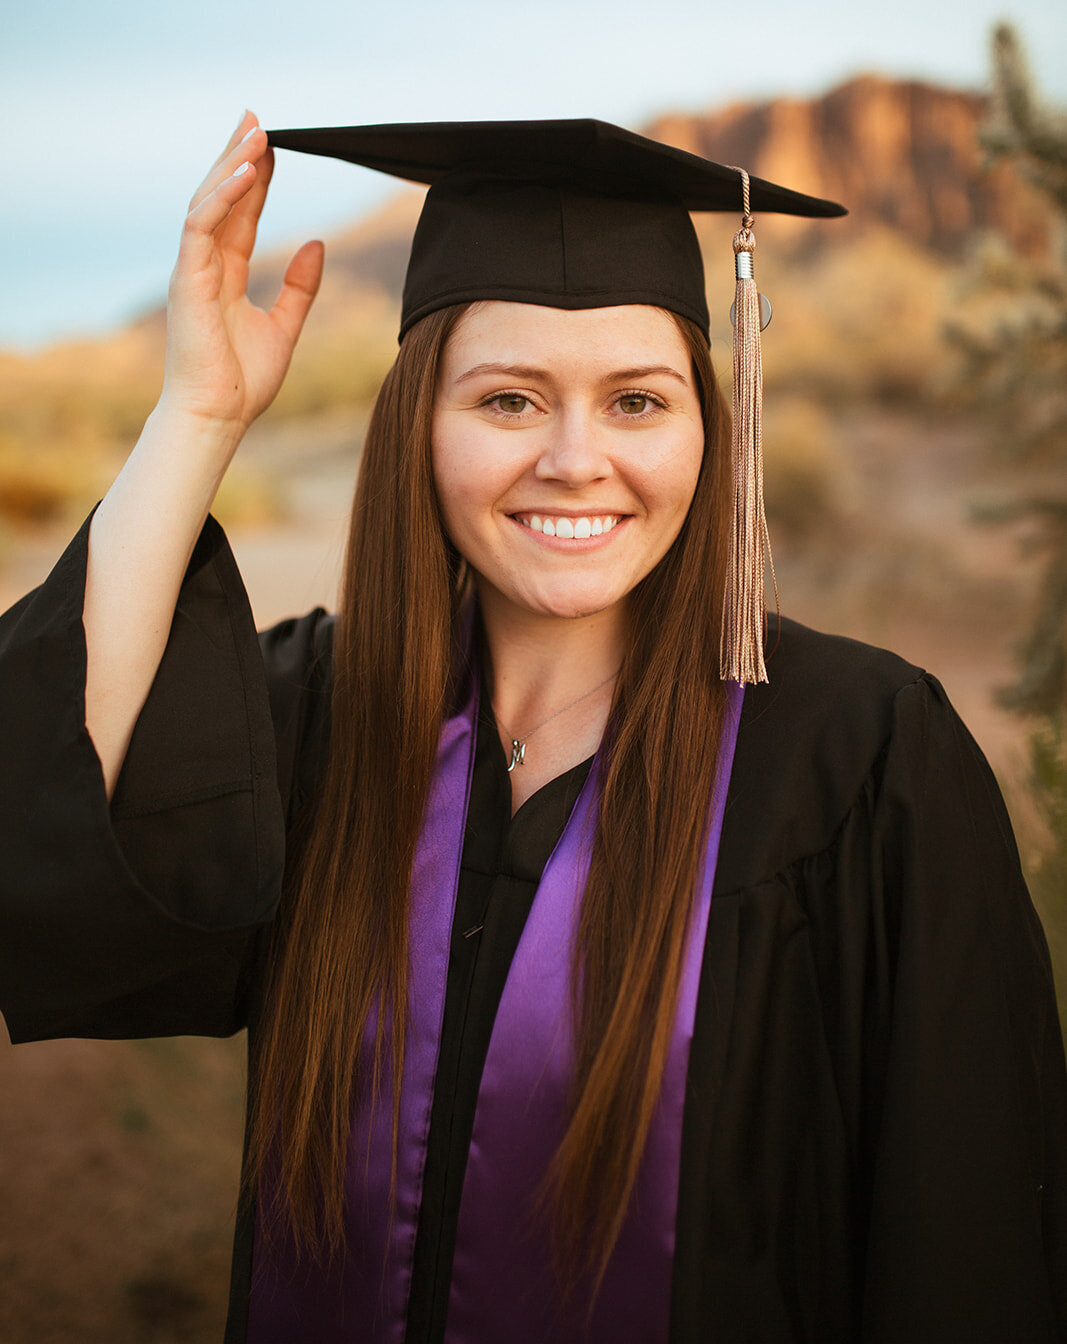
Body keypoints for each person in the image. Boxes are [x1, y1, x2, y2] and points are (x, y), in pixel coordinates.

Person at [0, 109, 1064, 1344]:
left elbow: (968, 1236)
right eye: (507, 400)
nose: (574, 458)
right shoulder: (325, 722)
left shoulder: (860, 760)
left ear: (711, 429)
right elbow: (45, 796)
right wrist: (196, 418)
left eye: (636, 401)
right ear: (417, 428)